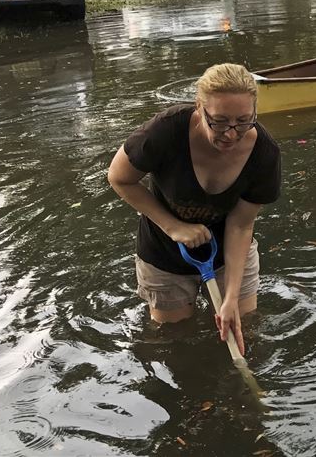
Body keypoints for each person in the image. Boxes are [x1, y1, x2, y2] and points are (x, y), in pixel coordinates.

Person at [107, 63, 280, 354]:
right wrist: (173, 226)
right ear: (199, 108)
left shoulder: (265, 153)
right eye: (220, 122)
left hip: (229, 251)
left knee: (244, 328)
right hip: (164, 250)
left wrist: (230, 298)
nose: (231, 134)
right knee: (174, 340)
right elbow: (119, 178)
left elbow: (240, 225)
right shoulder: (165, 131)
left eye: (243, 121)